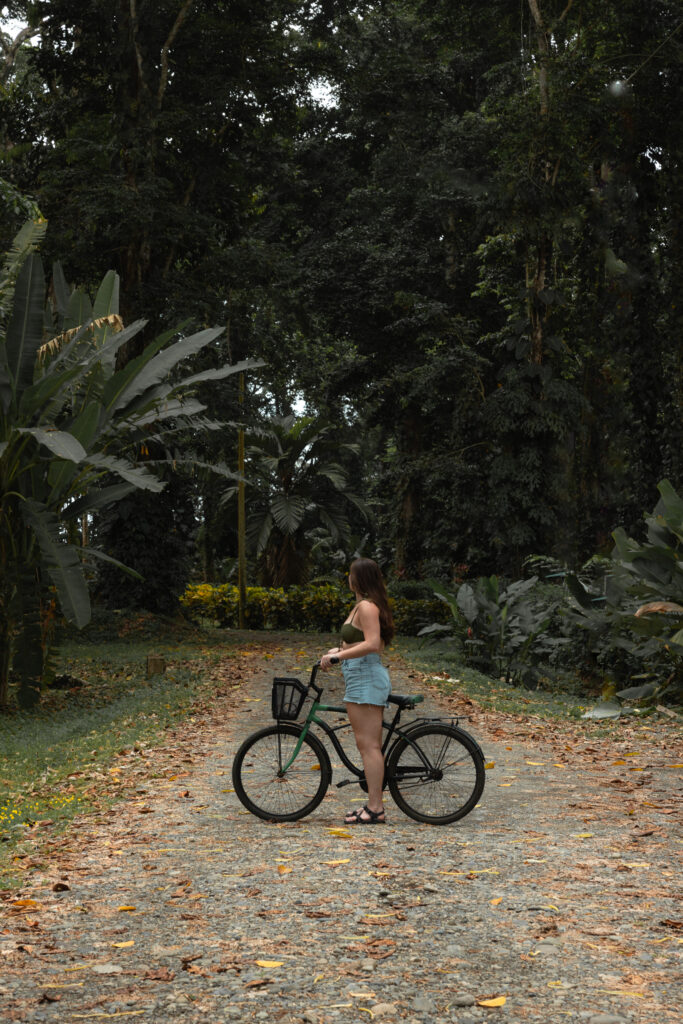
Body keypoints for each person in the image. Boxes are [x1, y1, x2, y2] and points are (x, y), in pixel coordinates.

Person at [319, 558, 394, 825]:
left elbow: (373, 644)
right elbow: (360, 641)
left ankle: (376, 808)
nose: (348, 578)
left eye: (350, 574)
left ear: (358, 578)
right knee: (366, 746)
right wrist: (338, 652)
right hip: (359, 676)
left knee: (370, 747)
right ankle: (372, 804)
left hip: (366, 676)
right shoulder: (363, 605)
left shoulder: (366, 606)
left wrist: (340, 657)